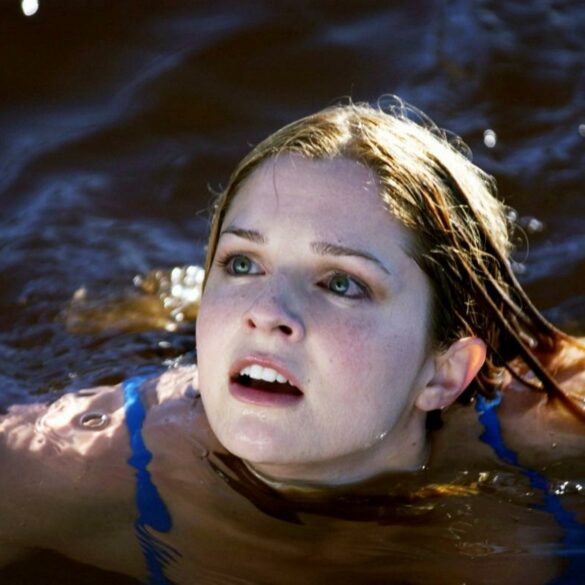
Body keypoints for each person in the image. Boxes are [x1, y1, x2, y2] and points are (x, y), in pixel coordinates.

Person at [0, 100, 583, 585]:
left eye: (342, 283)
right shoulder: (72, 465)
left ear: (445, 373)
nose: (265, 312)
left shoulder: (550, 419)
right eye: (241, 263)